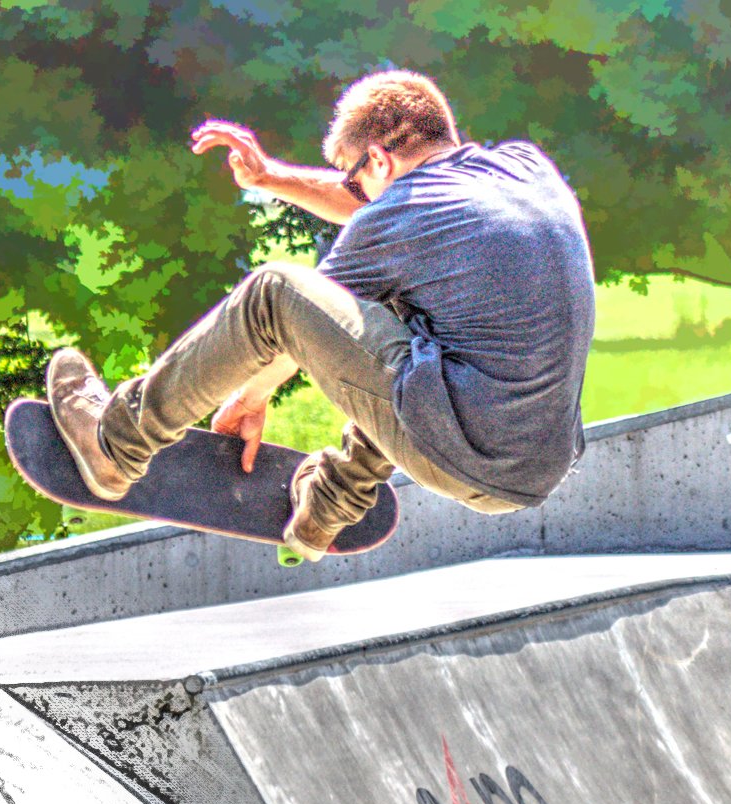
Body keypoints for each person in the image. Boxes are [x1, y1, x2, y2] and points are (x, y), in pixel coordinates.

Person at [44, 70, 597, 557]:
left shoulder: (402, 218)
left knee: (273, 294)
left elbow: (300, 321)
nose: (358, 194)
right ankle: (325, 507)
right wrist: (270, 178)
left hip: (469, 457)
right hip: (542, 461)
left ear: (378, 159)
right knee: (414, 316)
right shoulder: (524, 167)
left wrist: (250, 398)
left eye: (355, 178)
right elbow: (380, 203)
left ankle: (117, 444)